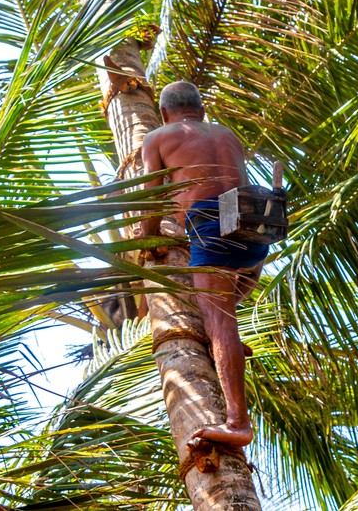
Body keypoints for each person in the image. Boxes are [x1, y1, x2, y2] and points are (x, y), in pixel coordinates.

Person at [140, 81, 267, 449]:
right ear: (203, 110)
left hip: (212, 226)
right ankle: (229, 346)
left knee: (218, 321)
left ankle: (238, 423)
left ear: (164, 114)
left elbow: (152, 194)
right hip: (255, 222)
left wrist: (149, 237)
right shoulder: (225, 133)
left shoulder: (159, 137)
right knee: (220, 297)